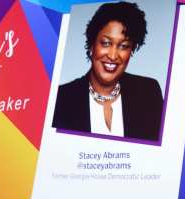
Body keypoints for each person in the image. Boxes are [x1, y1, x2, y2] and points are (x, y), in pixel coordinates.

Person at [52, 2, 163, 141]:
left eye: (123, 46)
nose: (112, 55)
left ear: (131, 50)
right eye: (106, 43)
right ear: (92, 45)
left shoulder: (148, 93)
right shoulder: (61, 100)